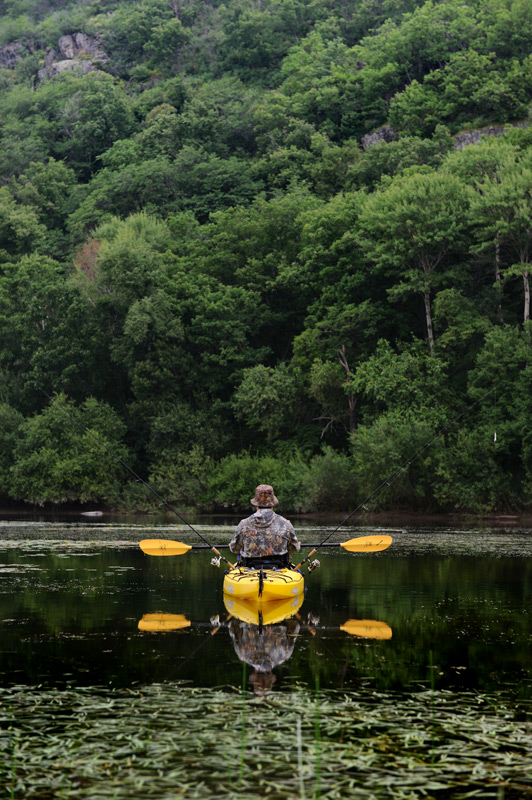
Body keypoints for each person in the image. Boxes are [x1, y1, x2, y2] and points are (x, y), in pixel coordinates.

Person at [229, 484, 301, 568]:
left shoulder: (243, 524)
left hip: (249, 568)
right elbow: (294, 548)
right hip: (279, 567)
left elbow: (235, 549)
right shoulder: (286, 523)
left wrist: (231, 546)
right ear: (273, 504)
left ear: (256, 505)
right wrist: (297, 544)